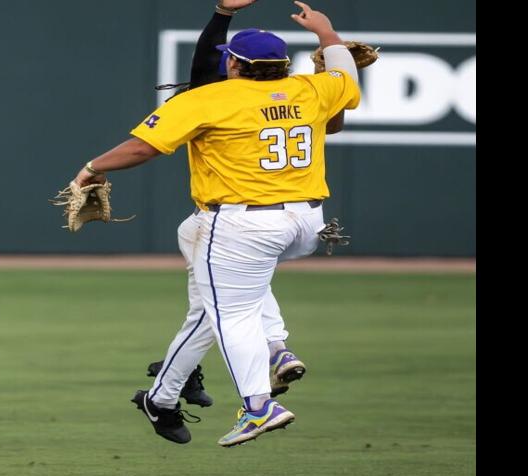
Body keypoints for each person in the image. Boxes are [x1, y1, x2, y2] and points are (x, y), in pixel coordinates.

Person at [72, 1, 359, 446]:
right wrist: (327, 33)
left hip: (243, 224)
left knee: (233, 315)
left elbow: (143, 147)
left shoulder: (210, 99)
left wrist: (92, 166)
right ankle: (254, 358)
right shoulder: (312, 89)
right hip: (305, 223)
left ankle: (259, 406)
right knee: (218, 300)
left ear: (236, 65)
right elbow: (345, 76)